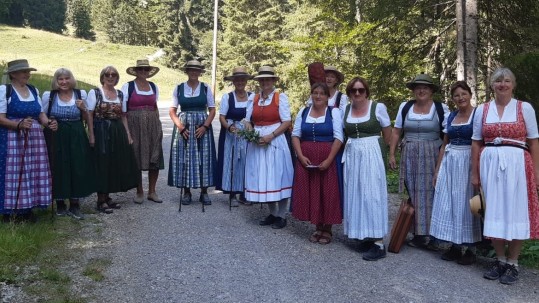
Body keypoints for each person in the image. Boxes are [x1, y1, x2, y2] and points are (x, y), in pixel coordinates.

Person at [471, 68, 539, 285]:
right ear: (492, 85)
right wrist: (475, 172)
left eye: (506, 81)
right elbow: (476, 142)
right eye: (498, 81)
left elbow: (534, 141)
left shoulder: (524, 108)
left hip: (519, 165)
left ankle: (513, 263)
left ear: (513, 84)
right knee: (492, 210)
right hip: (490, 165)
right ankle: (500, 260)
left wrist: (537, 172)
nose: (502, 84)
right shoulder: (482, 109)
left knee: (517, 211)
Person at [389, 73, 449, 249]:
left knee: (431, 192)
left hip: (433, 152)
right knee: (414, 192)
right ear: (413, 90)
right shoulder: (406, 107)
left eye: (425, 87)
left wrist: (444, 156)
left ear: (431, 90)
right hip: (409, 152)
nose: (421, 90)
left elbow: (447, 135)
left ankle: (433, 234)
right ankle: (418, 233)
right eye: (418, 87)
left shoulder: (440, 108)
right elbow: (396, 131)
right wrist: (392, 154)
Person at [430, 81, 482, 264]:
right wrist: (437, 171)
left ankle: (472, 247)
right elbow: (444, 145)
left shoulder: (478, 114)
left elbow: (480, 142)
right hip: (451, 162)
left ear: (470, 94)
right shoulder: (451, 116)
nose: (461, 98)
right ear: (453, 99)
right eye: (457, 95)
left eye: (463, 94)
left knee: (471, 202)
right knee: (451, 202)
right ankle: (455, 245)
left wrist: (478, 168)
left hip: (469, 161)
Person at [341, 77, 392, 260]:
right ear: (349, 93)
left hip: (372, 153)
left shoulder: (377, 108)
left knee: (372, 195)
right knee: (356, 194)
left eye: (360, 90)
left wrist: (386, 155)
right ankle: (365, 235)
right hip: (353, 154)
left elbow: (388, 135)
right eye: (353, 90)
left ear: (366, 91)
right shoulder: (345, 110)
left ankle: (378, 243)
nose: (357, 93)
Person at [0, 59, 56, 222]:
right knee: (13, 173)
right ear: (13, 74)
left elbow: (40, 113)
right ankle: (9, 212)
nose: (28, 74)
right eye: (24, 71)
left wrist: (48, 123)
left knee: (32, 172)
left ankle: (28, 209)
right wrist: (18, 124)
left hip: (34, 140)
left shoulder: (33, 89)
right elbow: (0, 118)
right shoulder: (5, 90)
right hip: (12, 139)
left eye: (28, 71)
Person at [291, 82, 343, 243]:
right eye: (315, 93)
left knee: (327, 191)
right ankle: (317, 227)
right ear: (311, 95)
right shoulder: (304, 111)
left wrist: (329, 160)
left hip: (327, 158)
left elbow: (339, 137)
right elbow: (295, 135)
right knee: (312, 191)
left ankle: (327, 228)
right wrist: (300, 156)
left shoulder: (334, 112)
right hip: (306, 158)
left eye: (322, 93)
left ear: (328, 96)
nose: (318, 96)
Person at [243, 66, 293, 229]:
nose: (265, 82)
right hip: (257, 141)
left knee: (277, 175)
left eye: (268, 79)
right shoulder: (254, 99)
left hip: (275, 140)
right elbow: (247, 121)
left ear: (273, 81)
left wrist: (271, 136)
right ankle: (273, 213)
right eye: (262, 80)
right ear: (259, 82)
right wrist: (252, 135)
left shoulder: (280, 97)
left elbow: (286, 121)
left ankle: (282, 215)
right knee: (264, 177)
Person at [42, 68, 96, 219]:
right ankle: (60, 203)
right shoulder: (50, 96)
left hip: (77, 134)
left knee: (77, 166)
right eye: (60, 79)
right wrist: (50, 123)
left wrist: (83, 110)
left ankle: (75, 204)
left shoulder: (80, 94)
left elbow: (86, 118)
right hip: (56, 135)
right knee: (58, 166)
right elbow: (43, 117)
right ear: (56, 81)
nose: (64, 82)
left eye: (66, 78)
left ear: (71, 79)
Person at [86, 66, 138, 213]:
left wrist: (127, 133)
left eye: (113, 75)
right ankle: (100, 200)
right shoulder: (95, 92)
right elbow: (89, 114)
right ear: (102, 77)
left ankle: (107, 197)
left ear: (117, 78)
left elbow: (123, 115)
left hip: (117, 131)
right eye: (107, 74)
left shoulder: (120, 94)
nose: (110, 77)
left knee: (114, 162)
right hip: (101, 129)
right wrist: (91, 134)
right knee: (102, 162)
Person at [168, 60, 217, 205]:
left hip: (202, 126)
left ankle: (204, 192)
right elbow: (172, 110)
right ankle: (187, 192)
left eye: (197, 70)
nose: (194, 72)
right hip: (185, 126)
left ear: (200, 72)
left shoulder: (205, 88)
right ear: (187, 71)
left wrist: (205, 127)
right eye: (191, 70)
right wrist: (181, 127)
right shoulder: (179, 88)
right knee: (184, 158)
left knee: (204, 158)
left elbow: (212, 109)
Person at [122, 59, 164, 204]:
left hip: (152, 124)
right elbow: (123, 111)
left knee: (155, 156)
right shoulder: (128, 86)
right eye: (141, 69)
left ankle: (152, 191)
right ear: (136, 71)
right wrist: (127, 132)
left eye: (146, 69)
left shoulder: (153, 86)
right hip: (134, 125)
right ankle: (139, 191)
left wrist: (158, 126)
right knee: (136, 156)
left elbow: (155, 106)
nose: (143, 72)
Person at [216, 67, 253, 206]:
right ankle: (232, 193)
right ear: (233, 82)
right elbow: (222, 117)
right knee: (231, 162)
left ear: (246, 81)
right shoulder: (228, 97)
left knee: (246, 161)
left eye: (242, 79)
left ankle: (244, 193)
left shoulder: (252, 96)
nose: (240, 82)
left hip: (247, 133)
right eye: (237, 80)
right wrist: (229, 127)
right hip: (231, 133)